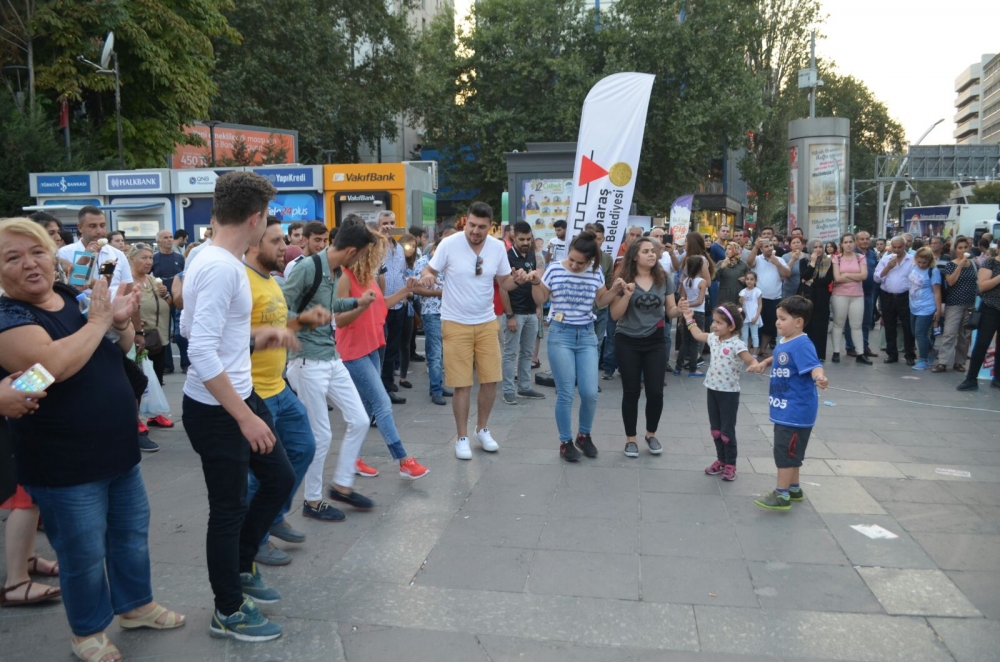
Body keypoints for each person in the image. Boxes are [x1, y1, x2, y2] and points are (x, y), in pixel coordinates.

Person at [0, 217, 184, 660]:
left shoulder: (68, 297)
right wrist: (100, 321)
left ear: (54, 256)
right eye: (12, 257)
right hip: (64, 462)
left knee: (130, 536)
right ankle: (87, 632)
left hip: (116, 451)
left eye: (37, 252)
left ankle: (136, 606)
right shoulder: (10, 317)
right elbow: (49, 368)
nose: (30, 264)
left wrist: (118, 322)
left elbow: (115, 348)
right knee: (81, 554)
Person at [180, 172, 296, 642]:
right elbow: (199, 351)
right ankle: (227, 609)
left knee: (279, 479)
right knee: (227, 509)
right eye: (267, 218)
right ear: (255, 218)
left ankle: (242, 566)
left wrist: (254, 337)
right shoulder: (222, 266)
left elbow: (193, 328)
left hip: (237, 394)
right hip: (219, 409)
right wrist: (244, 417)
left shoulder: (207, 257)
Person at [243, 217, 325, 567]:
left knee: (305, 447)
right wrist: (268, 336)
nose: (285, 247)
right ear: (253, 244)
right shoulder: (240, 281)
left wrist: (304, 321)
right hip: (253, 392)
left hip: (278, 386)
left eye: (283, 240)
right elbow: (227, 337)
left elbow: (278, 324)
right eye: (275, 240)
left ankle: (272, 515)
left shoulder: (273, 281)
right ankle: (255, 539)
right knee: (259, 473)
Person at [283, 224, 378, 517]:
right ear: (351, 251)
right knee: (320, 435)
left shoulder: (334, 271)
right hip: (306, 360)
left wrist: (356, 302)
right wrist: (305, 318)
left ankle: (341, 486)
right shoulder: (307, 268)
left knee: (360, 419)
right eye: (360, 254)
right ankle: (312, 502)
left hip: (330, 356)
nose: (360, 259)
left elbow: (330, 305)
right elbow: (277, 310)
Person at [416, 202, 521, 460]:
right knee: (462, 384)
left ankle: (481, 429)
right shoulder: (449, 244)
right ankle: (461, 437)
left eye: (482, 227)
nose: (475, 230)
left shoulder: (497, 247)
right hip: (454, 321)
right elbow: (429, 269)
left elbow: (504, 281)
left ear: (490, 227)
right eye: (472, 225)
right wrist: (428, 275)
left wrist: (518, 279)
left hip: (486, 322)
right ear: (466, 221)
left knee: (490, 379)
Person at [334, 228, 429, 480]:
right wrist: (361, 303)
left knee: (365, 408)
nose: (380, 257)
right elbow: (340, 320)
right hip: (353, 352)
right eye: (376, 252)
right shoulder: (345, 278)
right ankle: (403, 460)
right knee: (382, 403)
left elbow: (381, 304)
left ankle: (351, 458)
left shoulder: (368, 277)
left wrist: (407, 290)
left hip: (373, 347)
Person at [526, 231, 614, 461]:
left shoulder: (596, 272)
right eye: (572, 260)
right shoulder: (555, 269)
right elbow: (540, 298)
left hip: (586, 335)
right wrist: (535, 281)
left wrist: (617, 290)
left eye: (580, 262)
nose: (574, 265)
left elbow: (601, 301)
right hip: (560, 334)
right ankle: (565, 441)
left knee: (589, 393)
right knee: (565, 393)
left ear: (592, 260)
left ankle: (583, 435)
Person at [748, 296, 828, 511]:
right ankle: (794, 488)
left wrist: (819, 377)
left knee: (785, 452)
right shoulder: (787, 340)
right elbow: (779, 356)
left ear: (798, 321)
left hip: (795, 411)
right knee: (792, 451)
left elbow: (814, 365)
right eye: (777, 318)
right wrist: (764, 362)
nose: (777, 322)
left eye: (782, 319)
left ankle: (781, 494)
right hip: (786, 408)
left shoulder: (802, 343)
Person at [610, 237, 681, 458]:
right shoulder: (622, 280)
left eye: (654, 251)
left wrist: (680, 310)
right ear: (634, 255)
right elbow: (615, 314)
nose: (652, 254)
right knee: (631, 391)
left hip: (655, 341)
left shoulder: (664, 278)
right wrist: (627, 295)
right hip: (627, 340)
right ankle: (630, 438)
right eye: (646, 251)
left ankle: (651, 434)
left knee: (656, 391)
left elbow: (670, 311)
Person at [679, 301, 759, 481]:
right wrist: (689, 319)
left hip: (729, 394)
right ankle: (720, 460)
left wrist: (755, 365)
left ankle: (731, 464)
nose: (714, 325)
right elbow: (698, 334)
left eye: (719, 323)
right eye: (714, 321)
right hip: (712, 390)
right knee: (715, 430)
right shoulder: (714, 338)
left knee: (726, 432)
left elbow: (750, 360)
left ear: (731, 326)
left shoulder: (737, 344)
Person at [500, 221, 545, 404]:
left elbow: (534, 282)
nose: (526, 242)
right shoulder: (507, 257)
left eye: (528, 238)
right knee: (510, 353)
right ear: (514, 237)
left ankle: (525, 387)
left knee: (527, 353)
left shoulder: (532, 255)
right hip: (515, 313)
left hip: (531, 312)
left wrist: (538, 306)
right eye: (522, 239)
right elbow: (503, 289)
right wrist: (510, 315)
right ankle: (508, 390)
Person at [413, 231, 453, 405]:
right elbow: (415, 289)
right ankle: (435, 390)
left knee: (444, 353)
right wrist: (441, 292)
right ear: (436, 248)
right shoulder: (423, 263)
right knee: (435, 354)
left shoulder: (450, 262)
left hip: (450, 313)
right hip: (432, 313)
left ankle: (438, 385)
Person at [56, 206, 133, 296]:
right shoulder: (65, 252)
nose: (99, 231)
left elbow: (128, 288)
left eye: (102, 225)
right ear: (80, 227)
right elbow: (63, 288)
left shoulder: (118, 254)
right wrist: (85, 257)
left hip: (112, 308)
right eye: (93, 226)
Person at [956, 250, 1000, 390]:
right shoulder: (991, 263)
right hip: (990, 309)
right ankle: (971, 379)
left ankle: (997, 378)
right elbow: (982, 286)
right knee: (982, 344)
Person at [936, 237, 977, 374]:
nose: (963, 250)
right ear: (955, 249)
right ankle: (942, 362)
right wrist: (960, 265)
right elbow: (951, 282)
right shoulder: (951, 265)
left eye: (965, 247)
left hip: (970, 303)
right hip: (955, 303)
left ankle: (959, 362)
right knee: (949, 333)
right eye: (960, 248)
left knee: (965, 334)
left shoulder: (974, 264)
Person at [874, 237, 917, 366]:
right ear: (891, 247)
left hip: (905, 296)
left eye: (900, 247)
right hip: (887, 296)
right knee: (889, 325)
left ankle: (910, 355)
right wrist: (887, 268)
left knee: (908, 326)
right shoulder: (885, 259)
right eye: (894, 247)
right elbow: (876, 278)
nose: (897, 250)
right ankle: (892, 354)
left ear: (905, 247)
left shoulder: (911, 260)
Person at [830, 233, 871, 365]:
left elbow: (864, 276)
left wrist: (846, 274)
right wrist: (855, 275)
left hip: (857, 295)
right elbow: (837, 278)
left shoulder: (860, 258)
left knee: (856, 325)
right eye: (845, 242)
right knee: (838, 324)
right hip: (840, 295)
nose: (848, 245)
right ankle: (836, 352)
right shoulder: (837, 258)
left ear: (855, 243)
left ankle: (860, 353)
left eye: (850, 242)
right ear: (841, 244)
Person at [746, 235, 788, 358]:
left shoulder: (779, 259)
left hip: (775, 298)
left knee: (770, 326)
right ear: (761, 249)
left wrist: (777, 263)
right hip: (758, 298)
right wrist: (755, 248)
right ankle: (751, 349)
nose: (769, 248)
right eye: (766, 246)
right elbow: (749, 262)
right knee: (754, 324)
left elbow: (787, 274)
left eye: (771, 245)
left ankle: (762, 349)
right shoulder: (758, 259)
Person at [152, 229, 187, 375]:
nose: (169, 240)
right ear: (159, 241)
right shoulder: (154, 258)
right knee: (164, 332)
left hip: (178, 299)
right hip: (162, 299)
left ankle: (186, 363)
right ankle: (167, 365)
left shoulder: (179, 257)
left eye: (171, 237)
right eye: (165, 237)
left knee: (181, 333)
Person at [844, 231, 879, 360]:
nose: (865, 241)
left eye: (867, 239)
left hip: (869, 292)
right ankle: (851, 347)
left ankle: (864, 346)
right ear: (856, 241)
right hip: (853, 292)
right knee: (851, 322)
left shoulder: (872, 255)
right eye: (862, 239)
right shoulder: (852, 255)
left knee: (866, 321)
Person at [907, 246, 943, 371]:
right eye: (919, 262)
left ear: (929, 261)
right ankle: (931, 351)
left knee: (920, 333)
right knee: (914, 332)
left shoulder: (933, 271)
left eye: (924, 263)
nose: (921, 265)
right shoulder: (913, 267)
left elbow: (937, 292)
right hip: (913, 306)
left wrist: (938, 310)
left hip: (927, 307)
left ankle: (923, 359)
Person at [798, 240, 834, 361]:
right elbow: (804, 276)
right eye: (815, 247)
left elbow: (827, 280)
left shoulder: (828, 262)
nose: (818, 249)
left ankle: (819, 354)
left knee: (820, 325)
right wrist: (812, 263)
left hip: (822, 297)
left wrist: (812, 282)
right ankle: (805, 353)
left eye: (820, 247)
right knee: (807, 324)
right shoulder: (804, 261)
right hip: (807, 296)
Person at [675, 257, 709, 376]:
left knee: (685, 341)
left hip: (686, 313)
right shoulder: (702, 282)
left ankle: (678, 368)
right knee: (695, 342)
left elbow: (683, 297)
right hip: (698, 313)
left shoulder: (685, 281)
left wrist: (686, 305)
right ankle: (693, 369)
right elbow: (700, 301)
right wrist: (690, 303)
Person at [715, 241, 749, 306]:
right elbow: (713, 278)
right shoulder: (721, 263)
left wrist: (745, 280)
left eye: (730, 249)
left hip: (738, 296)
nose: (727, 251)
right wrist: (721, 268)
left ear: (736, 250)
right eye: (726, 249)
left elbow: (750, 280)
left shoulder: (743, 265)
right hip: (724, 296)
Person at [739, 271, 763, 356]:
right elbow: (741, 305)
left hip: (754, 315)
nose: (749, 281)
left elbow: (760, 305)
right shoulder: (742, 292)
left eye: (752, 279)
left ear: (755, 281)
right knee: (744, 336)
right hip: (745, 316)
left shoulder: (757, 291)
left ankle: (755, 353)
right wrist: (741, 301)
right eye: (747, 279)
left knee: (754, 335)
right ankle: (745, 352)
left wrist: (756, 316)